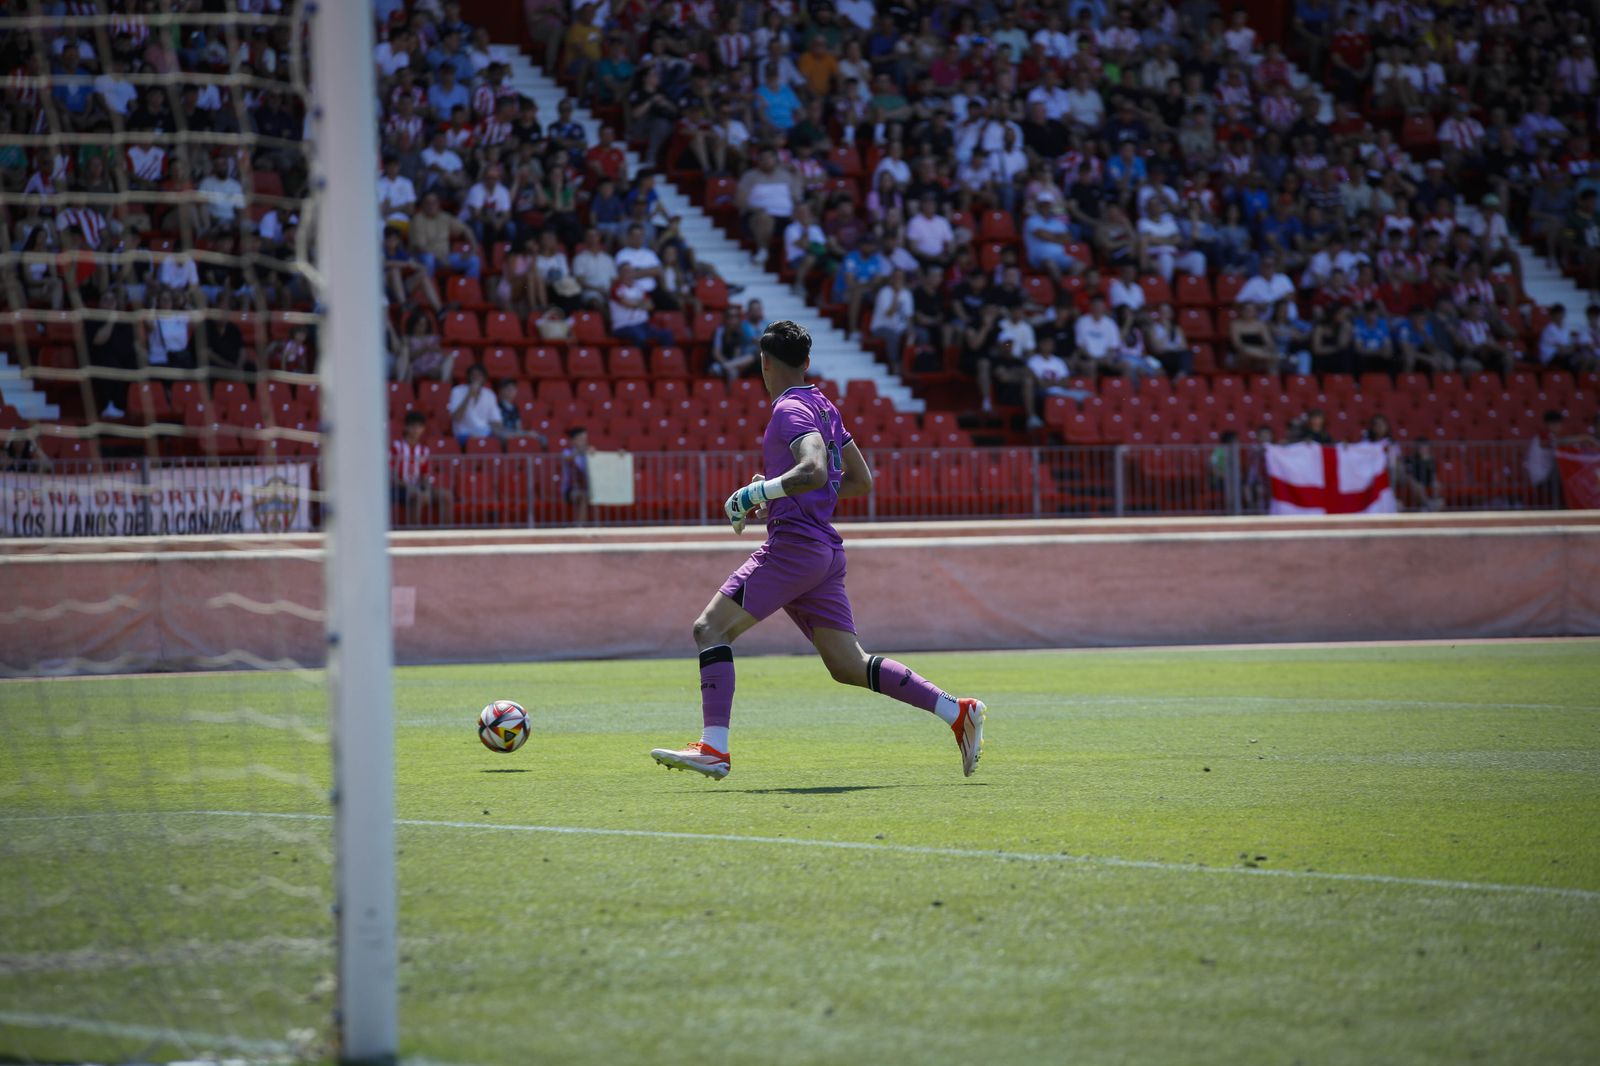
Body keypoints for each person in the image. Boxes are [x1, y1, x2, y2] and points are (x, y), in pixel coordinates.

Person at [648, 320, 986, 781]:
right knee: (848, 664)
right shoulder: (825, 406)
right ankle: (956, 711)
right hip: (823, 552)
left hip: (794, 548)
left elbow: (812, 469)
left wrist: (756, 494)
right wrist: (776, 494)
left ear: (765, 364)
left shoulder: (788, 410)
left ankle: (714, 748)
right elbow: (859, 480)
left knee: (709, 629)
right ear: (806, 363)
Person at [392, 412, 454, 525]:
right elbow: (392, 475)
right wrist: (411, 488)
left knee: (446, 495)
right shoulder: (396, 447)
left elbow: (425, 475)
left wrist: (426, 489)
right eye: (413, 426)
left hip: (417, 487)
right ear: (406, 427)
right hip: (398, 488)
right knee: (418, 496)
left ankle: (447, 532)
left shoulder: (423, 450)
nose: (416, 430)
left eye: (419, 427)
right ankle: (415, 533)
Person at [449, 364, 500, 447]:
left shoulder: (490, 395)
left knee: (503, 440)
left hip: (484, 434)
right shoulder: (457, 391)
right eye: (473, 375)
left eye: (479, 375)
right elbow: (456, 418)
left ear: (484, 378)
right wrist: (469, 395)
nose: (476, 378)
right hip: (463, 434)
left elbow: (496, 421)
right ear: (468, 377)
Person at [560, 426, 593, 525]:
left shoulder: (588, 454)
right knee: (583, 496)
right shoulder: (567, 452)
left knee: (595, 497)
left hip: (587, 488)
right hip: (570, 489)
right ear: (573, 441)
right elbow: (568, 459)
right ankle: (580, 526)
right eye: (581, 439)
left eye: (585, 439)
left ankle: (598, 526)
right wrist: (579, 451)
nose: (584, 442)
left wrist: (594, 455)